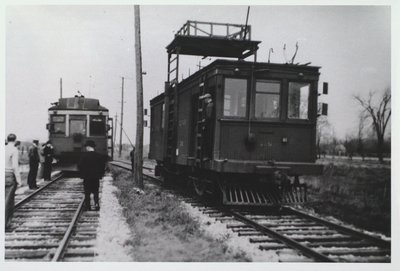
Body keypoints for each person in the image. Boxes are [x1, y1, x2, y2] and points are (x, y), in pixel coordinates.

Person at [78, 140, 106, 211]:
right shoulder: (99, 156)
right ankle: (96, 204)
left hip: (87, 178)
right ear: (93, 147)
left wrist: (82, 175)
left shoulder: (83, 156)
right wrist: (100, 175)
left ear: (88, 147)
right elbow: (102, 166)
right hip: (95, 178)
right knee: (96, 191)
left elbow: (79, 166)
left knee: (87, 192)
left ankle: (88, 206)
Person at [5, 133, 22, 229]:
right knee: (8, 201)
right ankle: (5, 224)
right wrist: (19, 180)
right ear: (15, 140)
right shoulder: (14, 150)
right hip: (9, 176)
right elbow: (15, 166)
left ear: (7, 140)